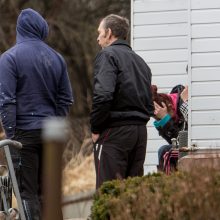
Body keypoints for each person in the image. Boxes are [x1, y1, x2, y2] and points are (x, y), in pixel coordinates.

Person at [0, 8, 73, 219]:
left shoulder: (9, 58)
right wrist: (54, 125)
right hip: (51, 136)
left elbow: (6, 101)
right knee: (50, 192)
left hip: (23, 134)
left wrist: (12, 135)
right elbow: (66, 99)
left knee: (26, 192)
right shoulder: (57, 58)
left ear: (20, 29)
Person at [90, 14, 154, 188]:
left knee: (109, 191)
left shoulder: (107, 55)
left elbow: (103, 96)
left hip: (115, 133)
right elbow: (149, 104)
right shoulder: (141, 63)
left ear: (109, 33)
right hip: (140, 134)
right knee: (132, 193)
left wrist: (95, 128)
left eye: (100, 32)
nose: (97, 38)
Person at [152, 85, 188, 173]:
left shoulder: (185, 105)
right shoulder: (174, 107)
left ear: (170, 106)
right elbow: (173, 142)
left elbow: (183, 142)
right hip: (184, 150)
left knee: (164, 150)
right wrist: (163, 122)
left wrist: (166, 120)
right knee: (164, 150)